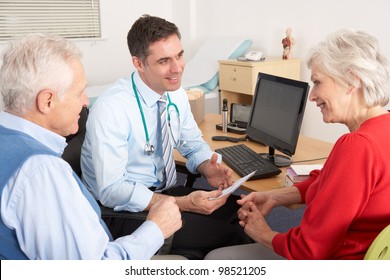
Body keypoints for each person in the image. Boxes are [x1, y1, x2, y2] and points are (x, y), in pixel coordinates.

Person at [205, 29, 390, 260]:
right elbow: (328, 182)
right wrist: (275, 197)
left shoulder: (358, 146)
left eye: (318, 82)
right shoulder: (382, 129)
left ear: (352, 81)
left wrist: (263, 233)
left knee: (218, 260)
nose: (312, 96)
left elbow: (307, 250)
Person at [80, 14, 251, 259]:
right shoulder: (111, 109)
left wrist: (207, 167)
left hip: (166, 193)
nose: (177, 68)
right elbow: (112, 190)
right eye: (164, 61)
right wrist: (183, 204)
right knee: (230, 235)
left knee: (244, 212)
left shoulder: (175, 93)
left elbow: (192, 143)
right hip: (120, 211)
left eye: (179, 55)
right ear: (139, 63)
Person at [0, 33, 182, 260]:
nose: (86, 102)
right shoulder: (41, 172)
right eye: (79, 92)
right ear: (47, 101)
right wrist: (156, 228)